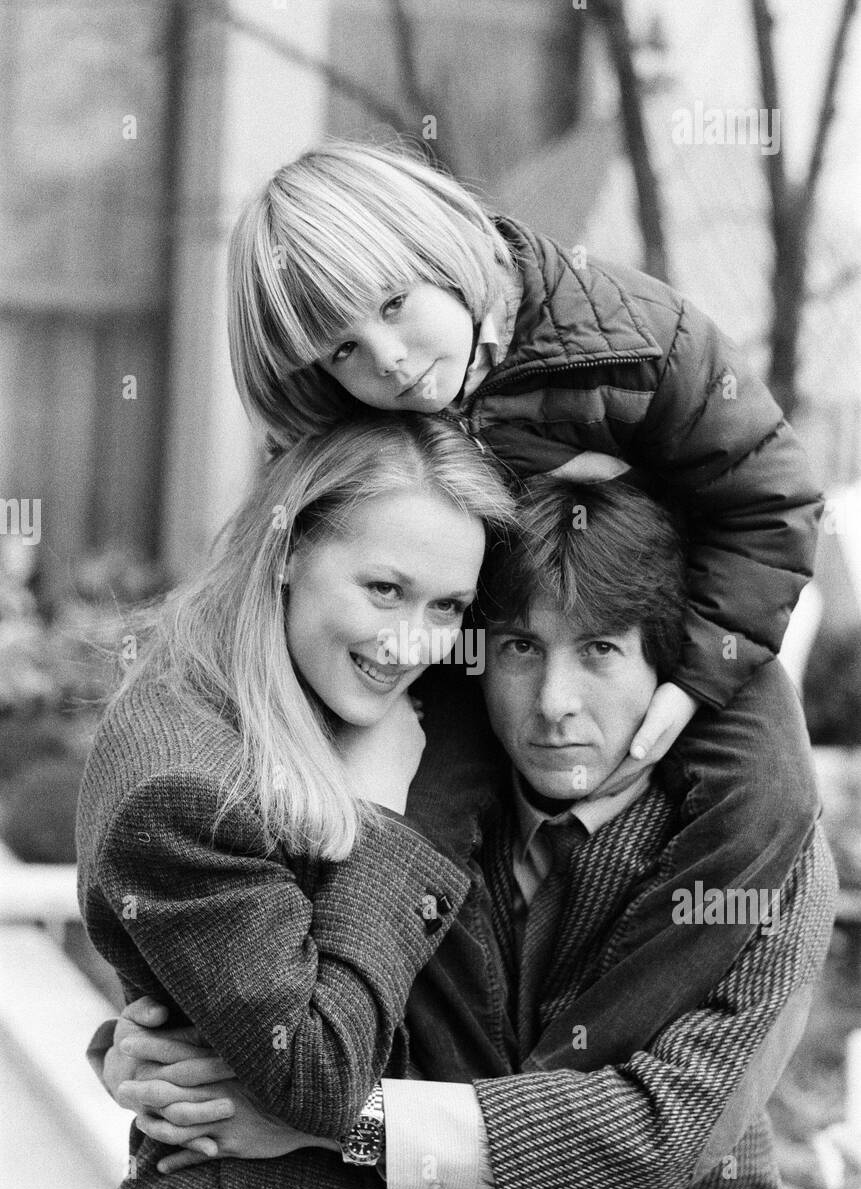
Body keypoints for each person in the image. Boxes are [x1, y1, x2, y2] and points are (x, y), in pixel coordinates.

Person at [104, 478, 838, 1189]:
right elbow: (297, 999)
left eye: (599, 650)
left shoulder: (763, 845)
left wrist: (342, 1122)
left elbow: (660, 1124)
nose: (555, 705)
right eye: (522, 649)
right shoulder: (403, 792)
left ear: (666, 664)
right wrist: (149, 1055)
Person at [225, 137, 823, 973]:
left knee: (765, 792)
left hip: (675, 632)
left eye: (393, 303)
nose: (388, 361)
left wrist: (696, 678)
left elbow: (769, 501)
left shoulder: (635, 336)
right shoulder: (360, 427)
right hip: (475, 644)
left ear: (444, 253)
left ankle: (608, 1051)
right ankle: (331, 1033)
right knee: (405, 823)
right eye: (341, 350)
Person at [70, 414, 515, 1189]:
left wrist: (124, 1047)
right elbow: (315, 1072)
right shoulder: (191, 782)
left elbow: (219, 979)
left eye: (447, 607)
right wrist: (384, 818)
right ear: (286, 551)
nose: (412, 645)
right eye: (384, 589)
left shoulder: (296, 697)